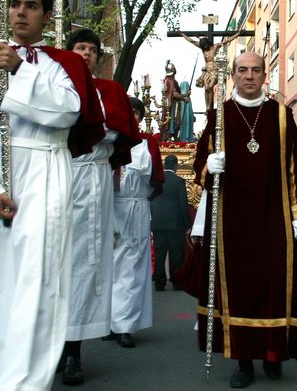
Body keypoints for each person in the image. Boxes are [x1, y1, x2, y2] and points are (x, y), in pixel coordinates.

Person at [0, 0, 105, 390]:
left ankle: (24, 383)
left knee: (39, 282)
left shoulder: (62, 65)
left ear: (46, 15)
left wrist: (22, 71)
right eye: (15, 4)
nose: (21, 12)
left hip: (47, 175)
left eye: (31, 6)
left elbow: (68, 113)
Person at [191, 51, 297, 388]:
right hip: (231, 221)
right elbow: (199, 165)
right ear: (233, 76)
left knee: (276, 287)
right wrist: (209, 166)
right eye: (242, 70)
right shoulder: (220, 117)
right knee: (239, 289)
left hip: (274, 218)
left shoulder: (281, 116)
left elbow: (294, 168)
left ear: (265, 76)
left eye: (256, 70)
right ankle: (243, 361)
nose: (249, 75)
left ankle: (274, 353)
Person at [60, 29, 141, 385]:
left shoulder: (109, 91)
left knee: (84, 262)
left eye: (93, 50)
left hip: (93, 177)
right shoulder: (54, 86)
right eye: (80, 48)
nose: (87, 54)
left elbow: (116, 134)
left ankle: (72, 351)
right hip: (57, 172)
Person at [106, 97, 163, 348]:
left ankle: (126, 324)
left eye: (136, 112)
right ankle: (108, 320)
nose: (132, 116)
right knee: (109, 265)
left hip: (135, 203)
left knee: (131, 265)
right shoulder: (107, 139)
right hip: (111, 204)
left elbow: (153, 176)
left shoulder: (147, 142)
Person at [150, 154, 191, 291]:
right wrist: (187, 224)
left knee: (160, 253)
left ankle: (159, 283)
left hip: (157, 223)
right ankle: (176, 283)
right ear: (176, 166)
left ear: (164, 165)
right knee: (176, 254)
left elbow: (150, 201)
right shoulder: (179, 181)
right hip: (175, 224)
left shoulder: (156, 181)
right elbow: (183, 204)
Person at [181, 32, 241, 110]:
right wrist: (183, 34)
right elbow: (191, 41)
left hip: (215, 71)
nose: (205, 47)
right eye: (204, 47)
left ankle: (210, 105)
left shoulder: (215, 46)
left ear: (208, 43)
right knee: (206, 88)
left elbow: (227, 40)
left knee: (210, 86)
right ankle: (207, 107)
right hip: (207, 71)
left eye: (206, 46)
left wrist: (238, 33)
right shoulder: (203, 49)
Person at [161, 61, 191, 141]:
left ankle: (172, 137)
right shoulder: (172, 81)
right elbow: (174, 94)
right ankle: (171, 137)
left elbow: (176, 93)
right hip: (172, 106)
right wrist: (184, 98)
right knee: (173, 123)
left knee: (172, 123)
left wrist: (185, 94)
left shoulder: (166, 80)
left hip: (168, 105)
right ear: (174, 71)